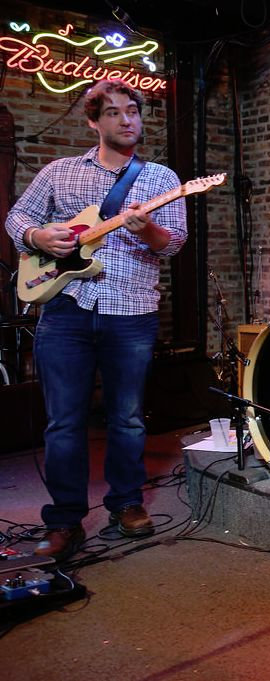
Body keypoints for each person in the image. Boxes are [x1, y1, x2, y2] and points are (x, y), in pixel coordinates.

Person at [5, 80, 188, 561]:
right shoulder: (60, 171)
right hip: (66, 310)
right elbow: (16, 217)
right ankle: (65, 519)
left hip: (130, 312)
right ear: (93, 121)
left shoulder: (162, 179)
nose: (127, 120)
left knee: (126, 418)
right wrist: (38, 237)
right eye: (114, 113)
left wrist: (147, 227)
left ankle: (126, 503)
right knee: (63, 423)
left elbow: (173, 244)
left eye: (133, 111)